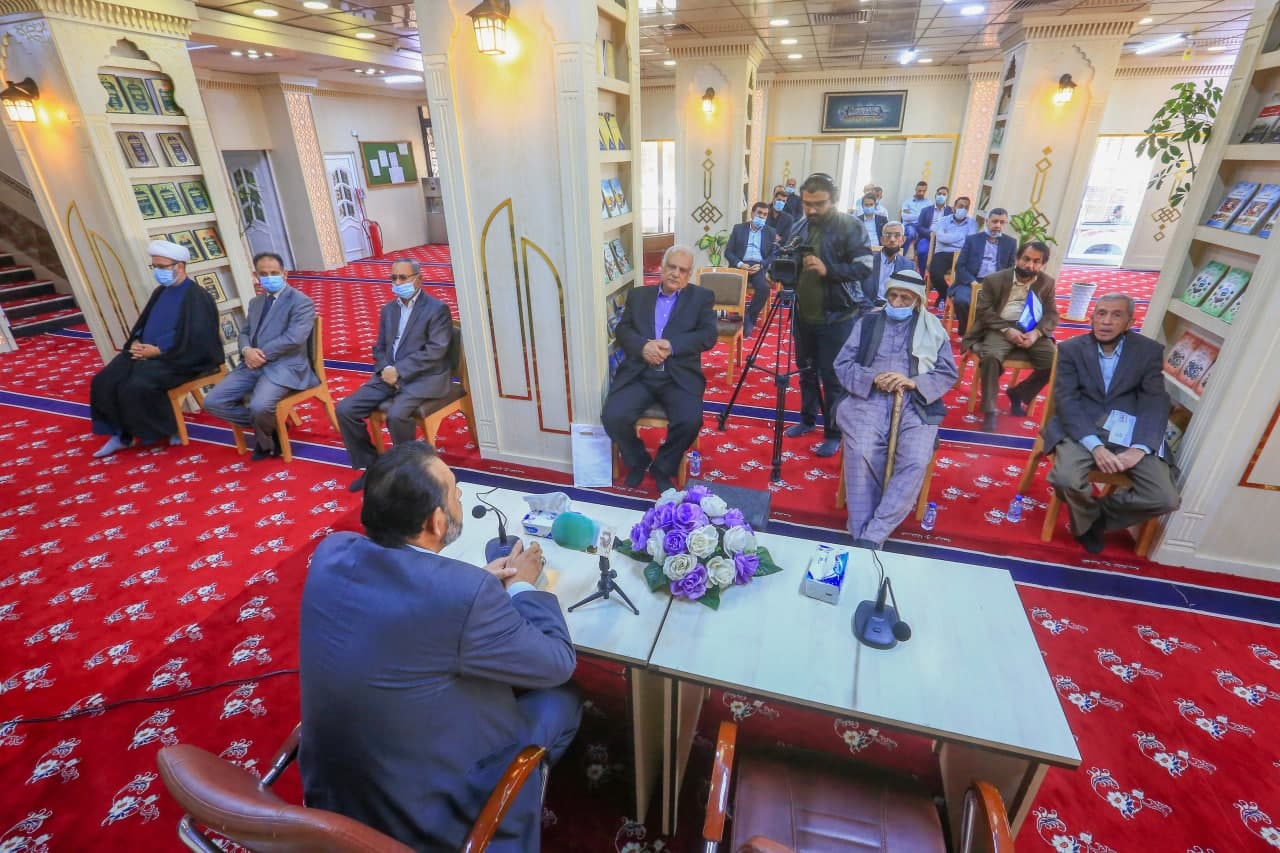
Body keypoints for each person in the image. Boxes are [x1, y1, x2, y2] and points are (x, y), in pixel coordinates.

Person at [300, 441, 580, 852]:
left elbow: (406, 601)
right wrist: (523, 586)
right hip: (422, 819)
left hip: (332, 798)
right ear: (436, 521)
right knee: (563, 698)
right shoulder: (462, 595)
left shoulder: (331, 551)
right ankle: (513, 812)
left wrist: (475, 582)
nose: (461, 494)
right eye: (454, 490)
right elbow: (558, 663)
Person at [1042, 294, 1180, 554]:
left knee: (1165, 497)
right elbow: (1067, 401)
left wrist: (1140, 447)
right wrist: (1095, 446)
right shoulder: (1072, 349)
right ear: (1092, 317)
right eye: (1101, 313)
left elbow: (1155, 401)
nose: (1106, 321)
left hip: (1130, 432)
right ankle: (1089, 520)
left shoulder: (1148, 351)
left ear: (1130, 322)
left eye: (1116, 315)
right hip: (1081, 427)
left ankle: (1094, 519)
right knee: (1066, 479)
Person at [834, 270, 958, 549]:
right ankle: (863, 532)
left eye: (905, 298)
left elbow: (947, 372)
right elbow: (842, 365)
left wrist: (913, 382)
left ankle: (874, 532)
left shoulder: (933, 328)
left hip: (916, 401)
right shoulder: (867, 323)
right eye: (893, 296)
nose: (897, 302)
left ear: (917, 301)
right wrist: (872, 378)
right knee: (862, 450)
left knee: (915, 459)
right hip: (868, 398)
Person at [89, 240, 222, 458]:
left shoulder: (197, 296)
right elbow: (144, 322)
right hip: (147, 352)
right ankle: (121, 435)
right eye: (155, 267)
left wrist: (160, 351)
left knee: (137, 384)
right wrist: (136, 341)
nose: (158, 271)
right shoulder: (160, 292)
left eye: (162, 267)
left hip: (182, 357)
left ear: (180, 266)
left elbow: (199, 338)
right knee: (104, 380)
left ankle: (167, 429)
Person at [602, 245, 717, 494]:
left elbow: (708, 336)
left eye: (682, 270)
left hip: (678, 376)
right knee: (612, 416)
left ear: (689, 274)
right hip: (640, 373)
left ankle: (663, 467)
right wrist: (643, 347)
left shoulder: (701, 298)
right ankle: (638, 460)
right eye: (671, 267)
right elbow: (623, 330)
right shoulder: (639, 296)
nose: (676, 273)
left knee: (690, 420)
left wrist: (673, 346)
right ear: (662, 268)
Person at [779, 172, 874, 458]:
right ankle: (807, 420)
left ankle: (834, 432)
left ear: (834, 200)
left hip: (838, 316)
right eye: (807, 203)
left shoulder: (851, 227)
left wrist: (828, 270)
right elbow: (790, 259)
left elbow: (865, 267)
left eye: (818, 204)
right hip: (804, 314)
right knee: (805, 372)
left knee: (832, 378)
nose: (811, 209)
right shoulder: (800, 225)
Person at [337, 258, 453, 492]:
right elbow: (379, 347)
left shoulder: (437, 309)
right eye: (394, 278)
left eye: (403, 277)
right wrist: (385, 369)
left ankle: (410, 471)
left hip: (423, 377)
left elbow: (436, 350)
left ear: (418, 279)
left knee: (397, 415)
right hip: (388, 375)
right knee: (345, 409)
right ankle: (372, 467)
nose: (397, 282)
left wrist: (400, 370)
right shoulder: (388, 310)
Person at [201, 252, 317, 460]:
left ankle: (266, 439)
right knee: (212, 402)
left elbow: (294, 338)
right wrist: (247, 350)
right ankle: (272, 427)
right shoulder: (256, 302)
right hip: (251, 364)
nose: (269, 277)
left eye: (274, 273)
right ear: (256, 276)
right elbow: (245, 332)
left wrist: (260, 354)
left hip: (284, 366)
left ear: (284, 274)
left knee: (259, 406)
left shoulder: (301, 302)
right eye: (264, 274)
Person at [960, 240, 1058, 433]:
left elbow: (1052, 314)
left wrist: (1036, 333)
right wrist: (1007, 330)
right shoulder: (995, 279)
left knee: (1056, 362)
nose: (1030, 265)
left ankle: (1019, 393)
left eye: (1036, 262)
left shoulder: (1046, 283)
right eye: (1026, 259)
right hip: (999, 327)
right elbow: (984, 311)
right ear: (1017, 258)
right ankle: (990, 410)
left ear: (1043, 264)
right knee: (990, 357)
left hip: (1031, 329)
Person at [951, 207, 1016, 336]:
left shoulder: (1010, 243)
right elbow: (960, 266)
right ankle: (967, 331)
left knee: (1001, 306)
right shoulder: (972, 240)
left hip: (995, 284)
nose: (998, 225)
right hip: (971, 281)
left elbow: (1010, 268)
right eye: (995, 221)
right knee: (961, 301)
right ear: (987, 221)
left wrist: (1000, 285)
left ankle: (982, 332)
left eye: (1002, 222)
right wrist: (972, 282)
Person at [724, 202, 778, 338]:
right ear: (752, 213)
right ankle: (737, 316)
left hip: (758, 266)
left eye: (765, 214)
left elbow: (772, 255)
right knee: (733, 286)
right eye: (759, 213)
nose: (762, 216)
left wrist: (761, 265)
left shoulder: (770, 232)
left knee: (764, 289)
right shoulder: (738, 229)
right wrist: (740, 264)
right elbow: (728, 252)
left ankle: (749, 317)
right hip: (741, 265)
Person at [928, 196, 977, 306]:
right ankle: (945, 294)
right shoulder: (943, 220)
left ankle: (955, 298)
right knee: (935, 273)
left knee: (966, 276)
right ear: (954, 207)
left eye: (966, 207)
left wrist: (949, 238)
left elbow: (970, 242)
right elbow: (941, 238)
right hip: (943, 253)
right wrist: (961, 237)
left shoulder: (972, 223)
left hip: (962, 254)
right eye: (960, 206)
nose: (963, 209)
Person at [868, 221, 913, 302]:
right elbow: (858, 292)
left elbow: (909, 296)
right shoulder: (867, 262)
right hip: (870, 306)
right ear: (882, 240)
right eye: (888, 235)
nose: (892, 239)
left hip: (895, 307)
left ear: (903, 240)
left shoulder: (908, 266)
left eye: (897, 235)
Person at [912, 185, 952, 276]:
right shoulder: (925, 210)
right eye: (939, 194)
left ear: (947, 197)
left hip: (943, 241)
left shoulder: (950, 212)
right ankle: (922, 276)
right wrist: (930, 233)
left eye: (944, 194)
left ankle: (934, 277)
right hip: (927, 238)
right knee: (922, 251)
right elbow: (919, 226)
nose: (941, 196)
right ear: (935, 195)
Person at [900, 181, 930, 252]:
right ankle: (902, 253)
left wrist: (912, 215)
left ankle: (918, 254)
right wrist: (921, 216)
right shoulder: (907, 202)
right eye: (919, 191)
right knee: (911, 233)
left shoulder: (929, 203)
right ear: (916, 189)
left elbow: (928, 218)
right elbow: (905, 217)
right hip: (910, 225)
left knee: (929, 235)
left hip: (923, 226)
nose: (921, 193)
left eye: (924, 191)